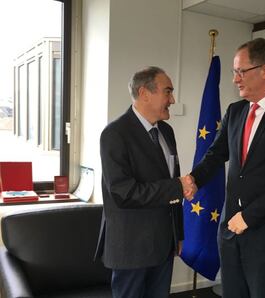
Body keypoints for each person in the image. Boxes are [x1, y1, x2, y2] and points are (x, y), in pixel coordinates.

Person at [189, 38, 265, 298]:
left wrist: (249, 216)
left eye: (240, 71)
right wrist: (192, 180)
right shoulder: (235, 111)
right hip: (230, 231)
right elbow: (215, 154)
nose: (235, 79)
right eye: (235, 72)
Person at [95, 66, 196, 298]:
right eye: (167, 92)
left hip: (163, 244)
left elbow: (172, 185)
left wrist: (177, 233)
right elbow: (123, 193)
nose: (172, 99)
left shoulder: (167, 132)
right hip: (131, 247)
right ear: (144, 93)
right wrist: (178, 186)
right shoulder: (114, 134)